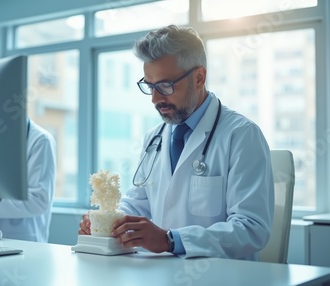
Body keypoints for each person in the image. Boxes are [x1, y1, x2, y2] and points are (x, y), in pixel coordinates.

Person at [79, 25, 274, 260]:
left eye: (164, 86)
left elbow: (251, 229)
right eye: (149, 86)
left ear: (199, 77)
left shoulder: (241, 135)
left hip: (220, 276)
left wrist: (171, 240)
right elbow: (139, 204)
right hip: (161, 274)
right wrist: (108, 222)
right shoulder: (155, 138)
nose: (154, 98)